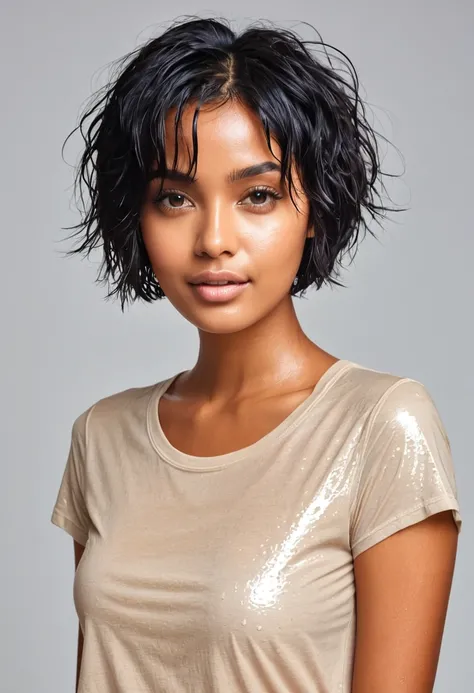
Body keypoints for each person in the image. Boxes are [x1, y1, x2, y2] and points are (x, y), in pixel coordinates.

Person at [51, 15, 462, 693]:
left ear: (316, 209)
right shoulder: (102, 436)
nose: (215, 238)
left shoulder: (381, 427)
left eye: (258, 195)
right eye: (175, 197)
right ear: (139, 216)